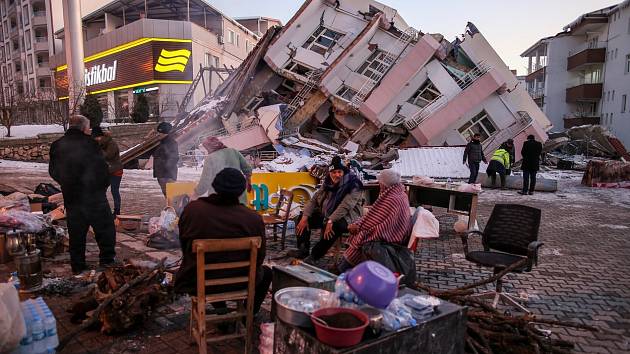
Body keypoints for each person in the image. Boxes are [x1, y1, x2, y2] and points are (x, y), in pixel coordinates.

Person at [174, 168, 271, 315]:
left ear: (215, 186)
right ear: (242, 190)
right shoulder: (253, 218)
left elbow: (185, 247)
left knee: (205, 267)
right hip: (241, 282)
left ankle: (221, 310)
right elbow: (259, 257)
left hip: (198, 282)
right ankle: (247, 315)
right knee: (268, 273)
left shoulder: (193, 210)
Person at [49, 115, 116, 274]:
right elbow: (102, 170)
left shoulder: (57, 145)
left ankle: (78, 266)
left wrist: (66, 183)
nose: (89, 130)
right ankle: (107, 261)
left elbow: (53, 171)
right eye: (88, 127)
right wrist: (101, 187)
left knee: (76, 233)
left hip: (72, 196)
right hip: (94, 196)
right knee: (105, 229)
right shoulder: (91, 144)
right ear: (83, 128)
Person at [290, 156, 364, 262]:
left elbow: (345, 206)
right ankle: (303, 249)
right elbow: (314, 199)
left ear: (343, 172)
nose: (337, 175)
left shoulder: (354, 185)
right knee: (302, 217)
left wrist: (330, 220)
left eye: (339, 172)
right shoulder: (328, 183)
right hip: (327, 214)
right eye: (333, 172)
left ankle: (314, 256)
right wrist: (305, 216)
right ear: (330, 173)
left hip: (347, 217)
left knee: (334, 227)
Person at [336, 170, 411, 273]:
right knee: (361, 232)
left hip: (392, 235)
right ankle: (345, 267)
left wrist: (357, 226)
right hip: (396, 230)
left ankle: (343, 269)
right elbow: (376, 216)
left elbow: (373, 220)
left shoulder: (391, 199)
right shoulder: (399, 193)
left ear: (384, 184)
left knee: (362, 236)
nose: (379, 183)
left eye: (380, 181)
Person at [193, 136, 252, 205]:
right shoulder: (233, 151)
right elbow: (247, 169)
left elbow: (205, 181)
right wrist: (248, 181)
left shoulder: (210, 158)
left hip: (220, 202)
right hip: (239, 199)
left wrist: (195, 194)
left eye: (206, 148)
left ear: (210, 146)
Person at [92, 126, 123, 216]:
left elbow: (108, 156)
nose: (95, 139)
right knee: (101, 191)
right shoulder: (101, 143)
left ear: (101, 137)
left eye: (96, 138)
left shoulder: (111, 143)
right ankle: (101, 209)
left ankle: (117, 211)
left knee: (114, 190)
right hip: (106, 171)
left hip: (115, 170)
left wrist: (97, 150)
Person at [153, 122, 179, 197]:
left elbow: (174, 157)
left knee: (171, 196)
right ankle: (170, 208)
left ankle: (174, 208)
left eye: (160, 132)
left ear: (165, 133)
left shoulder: (171, 143)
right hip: (162, 174)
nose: (158, 134)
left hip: (167, 175)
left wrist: (166, 168)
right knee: (167, 196)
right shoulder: (161, 142)